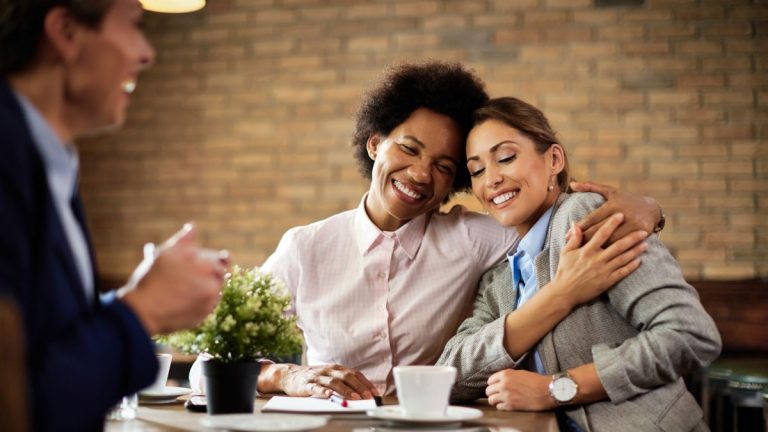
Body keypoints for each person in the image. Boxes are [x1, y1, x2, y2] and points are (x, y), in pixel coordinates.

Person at [190, 61, 663, 400]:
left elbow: (556, 216)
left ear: (456, 183)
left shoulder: (477, 239)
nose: (420, 173)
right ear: (375, 144)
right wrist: (286, 377)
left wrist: (648, 209)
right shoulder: (305, 248)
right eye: (409, 150)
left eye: (443, 165)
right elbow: (205, 369)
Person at [0, 1, 228, 430]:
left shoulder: (51, 160)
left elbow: (45, 339)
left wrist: (135, 296)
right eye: (133, 25)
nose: (147, 53)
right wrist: (144, 310)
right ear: (66, 32)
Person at [437, 97, 721, 431]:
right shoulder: (500, 277)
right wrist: (559, 295)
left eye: (506, 157)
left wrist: (556, 388)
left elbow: (689, 334)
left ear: (554, 159)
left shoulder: (584, 219)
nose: (492, 179)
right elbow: (451, 376)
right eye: (477, 170)